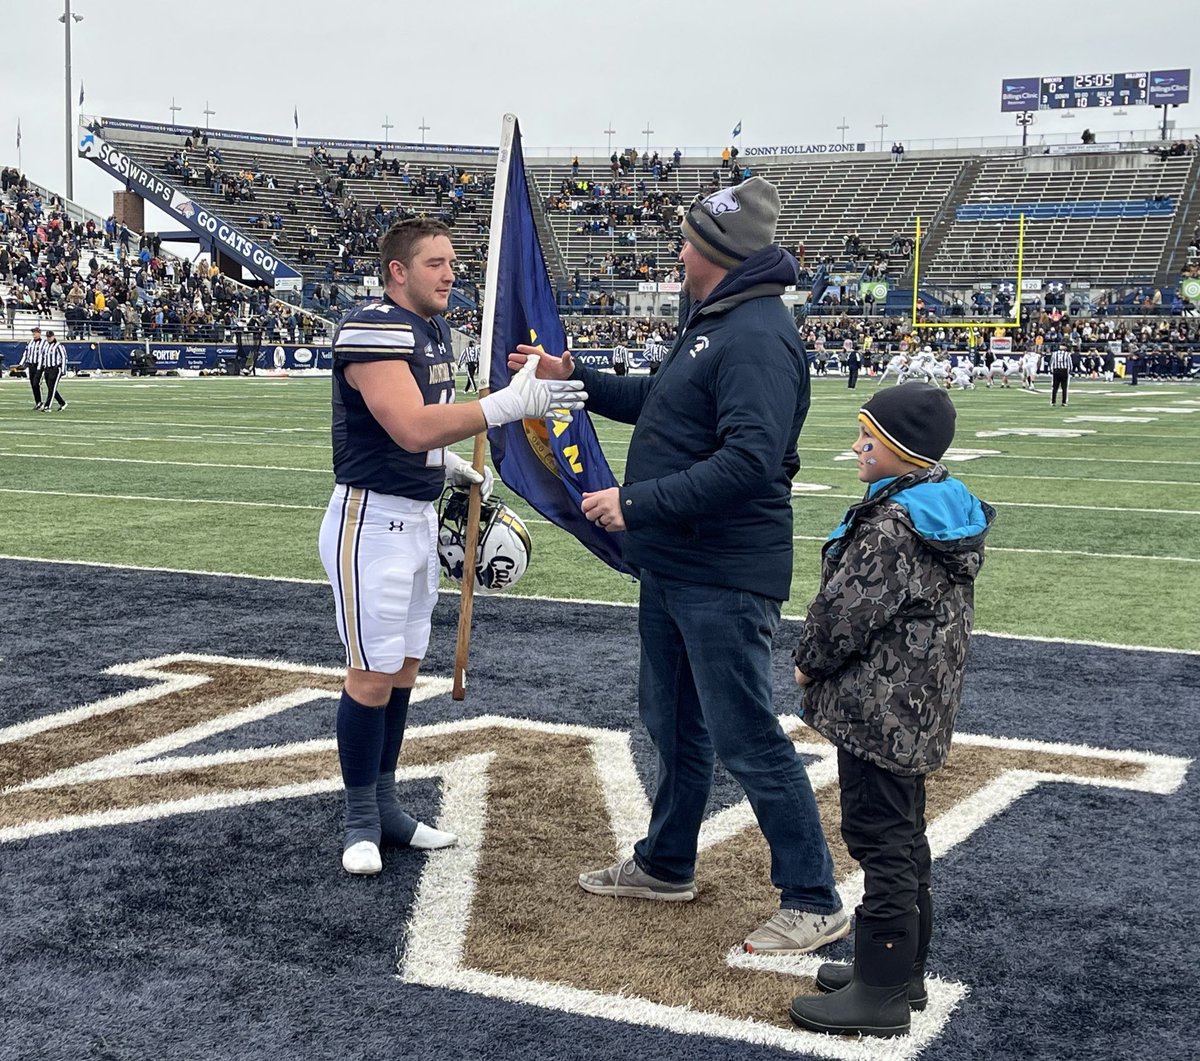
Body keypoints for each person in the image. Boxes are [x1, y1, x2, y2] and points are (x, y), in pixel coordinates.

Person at [510, 178, 847, 954]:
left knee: (745, 736)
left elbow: (752, 460)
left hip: (722, 573)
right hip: (678, 566)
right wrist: (574, 379)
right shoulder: (717, 321)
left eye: (690, 240)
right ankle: (667, 862)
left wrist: (638, 503)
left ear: (718, 252)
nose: (679, 251)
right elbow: (661, 400)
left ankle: (812, 892)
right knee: (672, 722)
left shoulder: (756, 334)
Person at [317, 218, 585, 876]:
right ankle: (358, 818)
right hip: (369, 521)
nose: (449, 272)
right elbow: (407, 425)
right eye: (435, 262)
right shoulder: (372, 326)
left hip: (415, 516)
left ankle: (385, 805)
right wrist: (500, 406)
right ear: (397, 271)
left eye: (453, 261)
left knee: (406, 668)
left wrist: (447, 466)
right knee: (371, 672)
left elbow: (421, 437)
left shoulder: (430, 330)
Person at [788, 384, 993, 1038]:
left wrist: (809, 660)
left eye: (868, 438)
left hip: (881, 708)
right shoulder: (937, 509)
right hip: (915, 703)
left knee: (882, 841)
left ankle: (880, 991)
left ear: (901, 451)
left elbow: (846, 613)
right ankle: (901, 973)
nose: (855, 447)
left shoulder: (895, 525)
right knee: (903, 837)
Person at [17, 324, 47, 410]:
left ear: (39, 333)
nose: (33, 334)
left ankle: (41, 401)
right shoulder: (30, 342)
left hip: (39, 365)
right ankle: (37, 402)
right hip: (31, 365)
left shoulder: (44, 343)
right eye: (33, 332)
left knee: (36, 383)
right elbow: (26, 353)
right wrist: (21, 363)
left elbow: (45, 354)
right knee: (32, 384)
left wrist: (43, 365)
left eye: (35, 332)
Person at [40, 330, 68, 411]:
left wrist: (63, 370)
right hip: (47, 369)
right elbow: (44, 357)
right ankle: (62, 403)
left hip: (55, 368)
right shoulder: (46, 346)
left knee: (52, 388)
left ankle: (47, 406)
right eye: (47, 337)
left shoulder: (59, 346)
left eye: (50, 336)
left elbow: (64, 357)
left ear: (53, 336)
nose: (49, 338)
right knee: (51, 388)